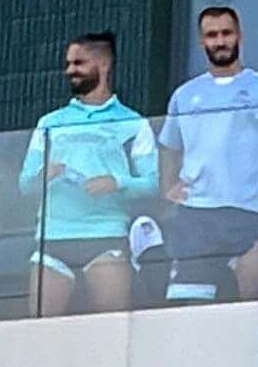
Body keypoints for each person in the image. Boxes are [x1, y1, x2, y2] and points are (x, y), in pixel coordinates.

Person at [155, 7, 258, 304]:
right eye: (212, 35)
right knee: (190, 310)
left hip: (248, 212)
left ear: (240, 36)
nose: (220, 41)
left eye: (226, 33)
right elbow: (169, 146)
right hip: (195, 215)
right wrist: (168, 187)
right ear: (201, 42)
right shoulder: (185, 94)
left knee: (254, 303)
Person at [21, 32, 156, 315]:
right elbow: (24, 185)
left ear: (103, 66)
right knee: (40, 330)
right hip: (52, 236)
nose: (70, 70)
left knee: (112, 329)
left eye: (79, 63)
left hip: (105, 235)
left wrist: (116, 182)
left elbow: (153, 183)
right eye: (68, 63)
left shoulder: (133, 123)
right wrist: (43, 176)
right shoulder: (49, 123)